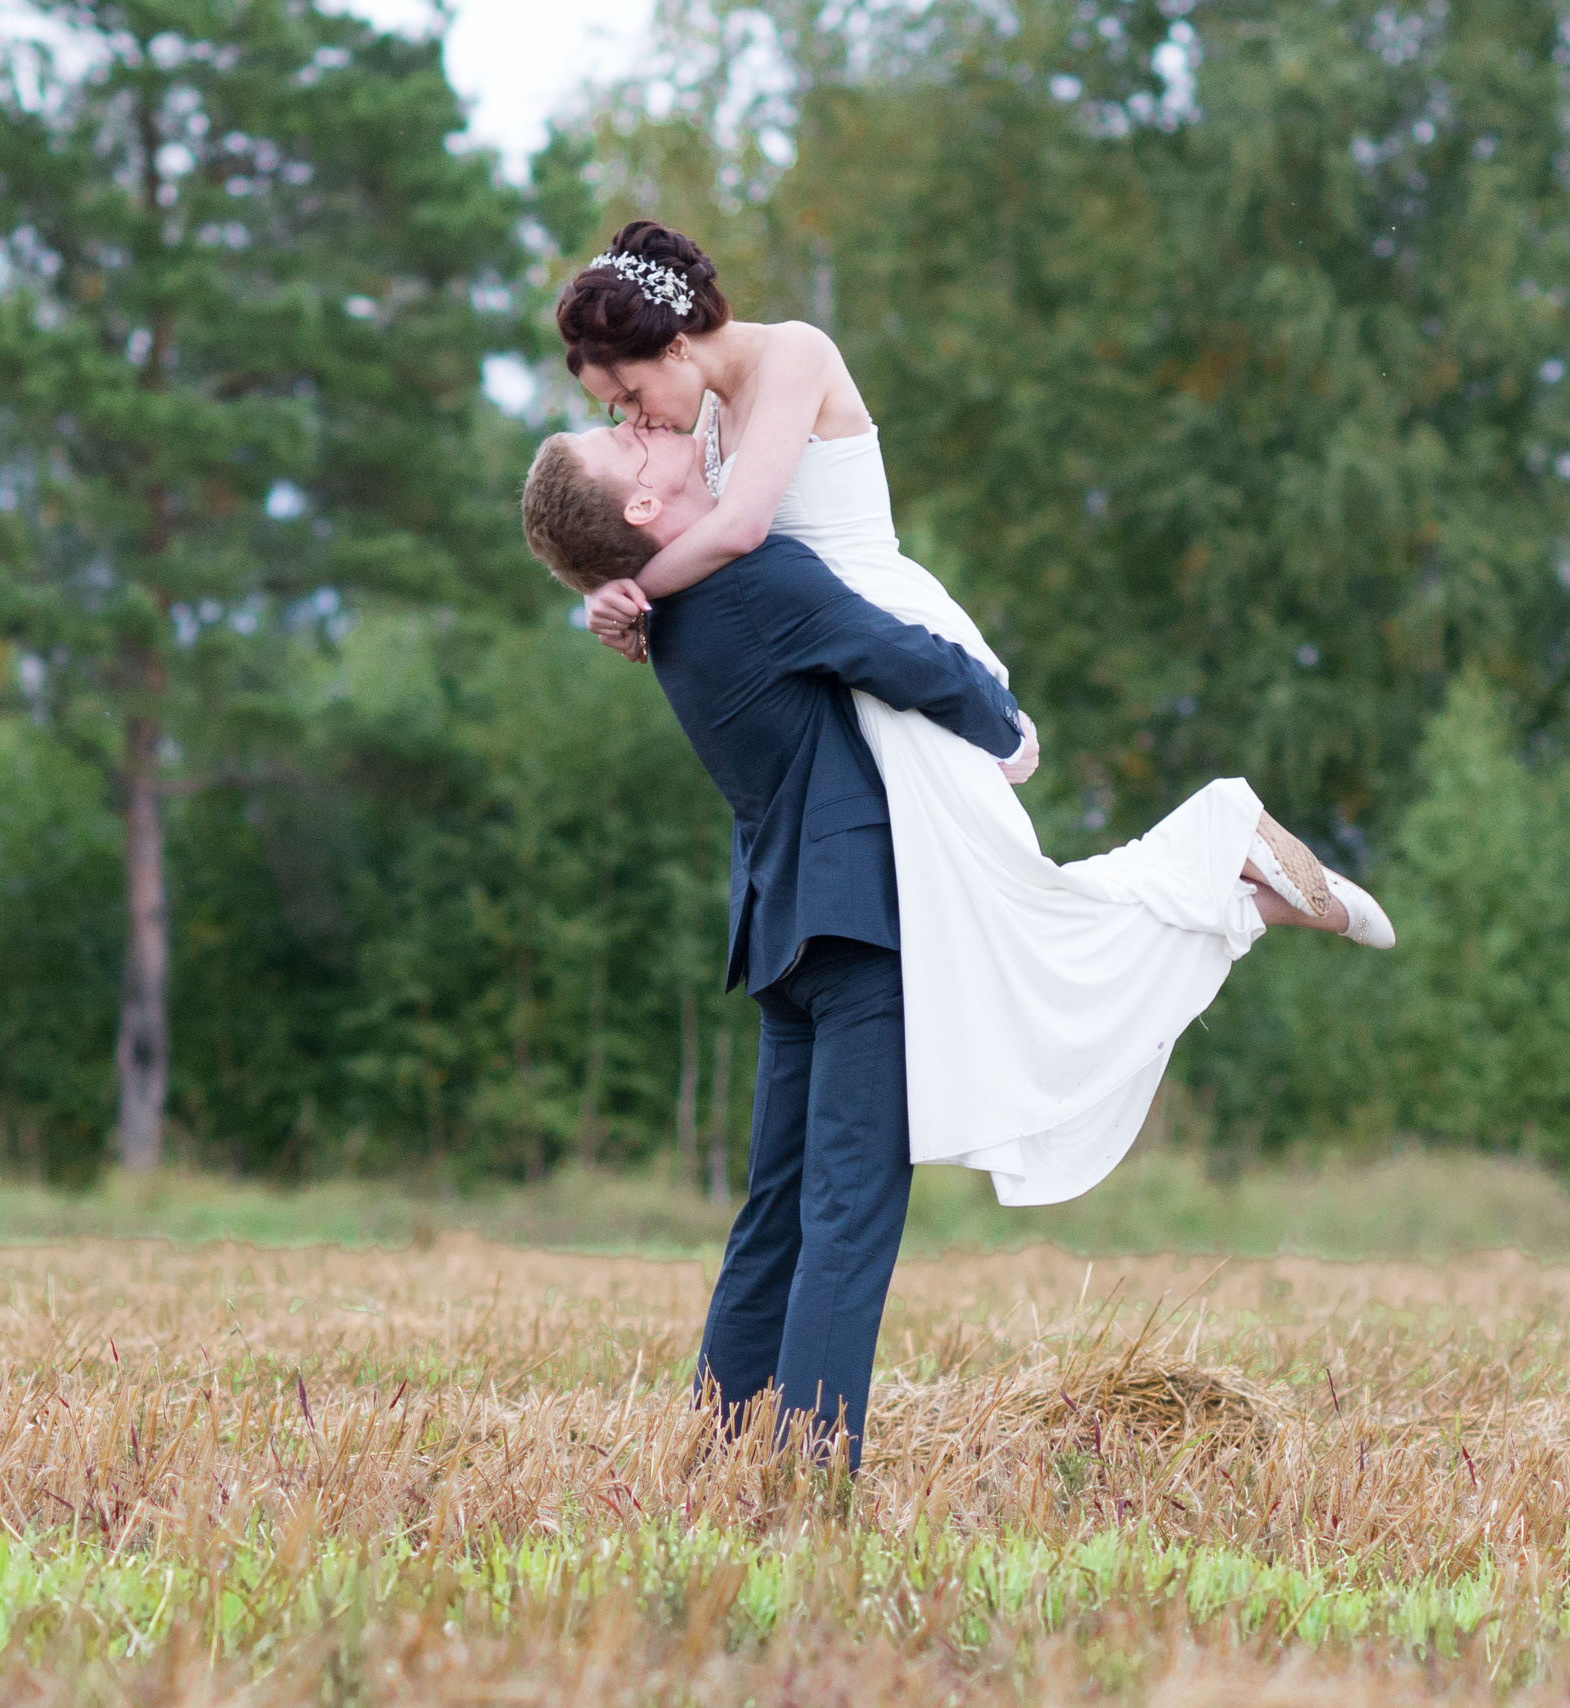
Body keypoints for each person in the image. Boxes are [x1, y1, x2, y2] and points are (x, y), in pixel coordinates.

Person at [551, 221, 1396, 1210]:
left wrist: (630, 590)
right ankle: (1244, 893)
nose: (640, 422)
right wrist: (605, 594)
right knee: (995, 924)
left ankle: (1222, 842)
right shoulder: (697, 419)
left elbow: (737, 531)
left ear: (677, 347)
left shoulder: (794, 355)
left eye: (630, 397)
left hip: (889, 645)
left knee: (1012, 910)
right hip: (834, 666)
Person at [522, 419, 1033, 1469]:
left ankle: (720, 1446)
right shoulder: (753, 584)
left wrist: (609, 595)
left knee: (779, 1210)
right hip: (859, 925)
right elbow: (898, 658)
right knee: (846, 1209)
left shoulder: (668, 612)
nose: (644, 429)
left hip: (786, 927)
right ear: (643, 510)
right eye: (623, 441)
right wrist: (1007, 724)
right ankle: (806, 1470)